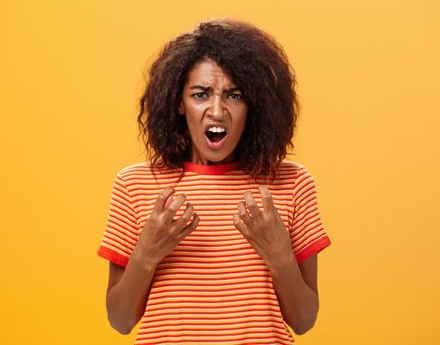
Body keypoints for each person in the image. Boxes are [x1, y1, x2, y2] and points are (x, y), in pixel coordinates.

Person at [97, 18, 332, 344]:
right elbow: (120, 320)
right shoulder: (135, 185)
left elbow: (304, 320)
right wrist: (147, 251)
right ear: (179, 103)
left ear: (254, 104)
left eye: (234, 95)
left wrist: (278, 252)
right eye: (201, 94)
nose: (217, 111)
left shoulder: (292, 184)